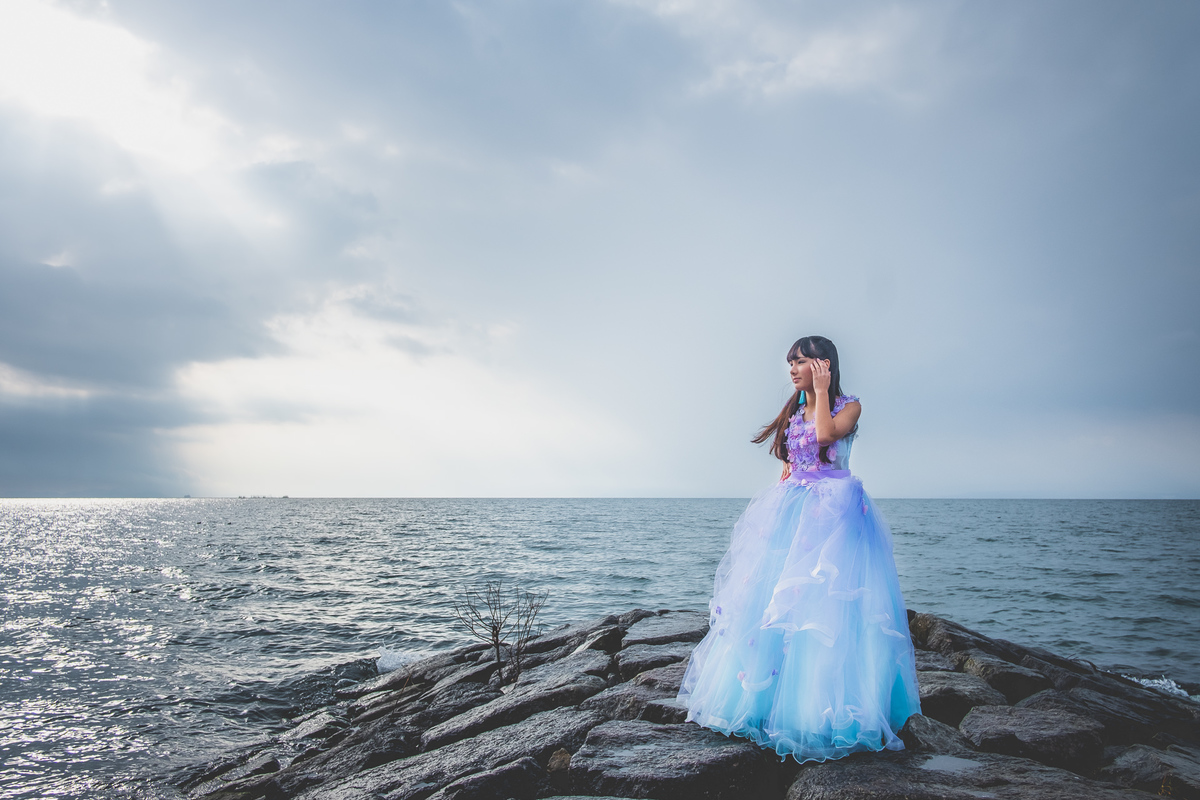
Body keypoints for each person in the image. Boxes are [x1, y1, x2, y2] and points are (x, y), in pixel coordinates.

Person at [677, 335, 921, 763]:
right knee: (771, 604)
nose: (792, 369)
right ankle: (763, 705)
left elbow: (827, 437)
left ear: (823, 366)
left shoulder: (848, 405)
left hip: (835, 517)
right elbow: (792, 464)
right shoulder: (795, 410)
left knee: (824, 611)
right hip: (793, 509)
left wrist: (823, 392)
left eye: (801, 361)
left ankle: (819, 713)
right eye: (790, 363)